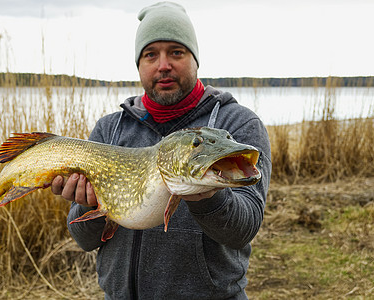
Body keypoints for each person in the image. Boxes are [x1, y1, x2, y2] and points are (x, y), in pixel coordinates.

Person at [51, 2, 271, 299]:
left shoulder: (236, 125)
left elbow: (243, 228)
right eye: (150, 54)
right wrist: (89, 205)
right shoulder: (110, 130)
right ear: (139, 64)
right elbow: (84, 239)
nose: (163, 64)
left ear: (195, 59)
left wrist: (206, 195)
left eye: (176, 52)